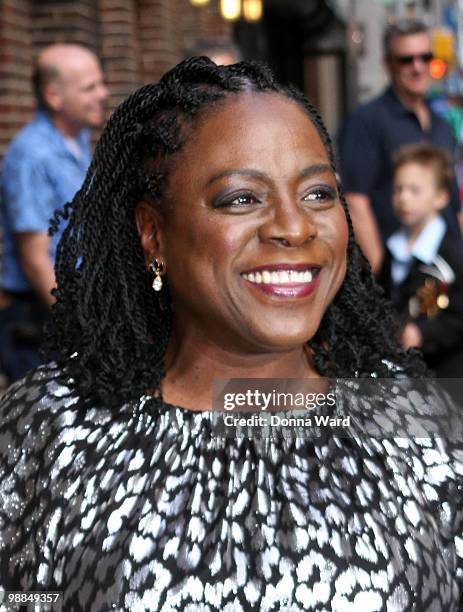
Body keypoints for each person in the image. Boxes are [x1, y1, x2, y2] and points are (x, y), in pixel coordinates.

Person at [0, 57, 462, 610]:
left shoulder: (418, 424)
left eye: (318, 193)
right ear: (152, 233)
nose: (294, 227)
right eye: (241, 198)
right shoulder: (49, 432)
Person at [0, 43, 108, 383]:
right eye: (89, 87)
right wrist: (80, 326)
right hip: (43, 318)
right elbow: (35, 260)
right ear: (54, 96)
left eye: (101, 83)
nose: (103, 94)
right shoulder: (32, 155)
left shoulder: (78, 140)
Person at [339, 18, 462, 274]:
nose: (417, 67)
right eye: (406, 59)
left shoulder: (442, 124)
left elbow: (454, 203)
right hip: (400, 270)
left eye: (425, 57)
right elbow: (355, 201)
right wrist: (384, 277)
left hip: (449, 268)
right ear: (388, 65)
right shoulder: (367, 120)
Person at [378, 143, 463, 376]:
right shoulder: (393, 247)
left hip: (443, 371)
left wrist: (423, 334)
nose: (403, 198)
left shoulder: (452, 256)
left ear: (441, 197)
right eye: (398, 189)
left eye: (415, 190)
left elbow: (458, 316)